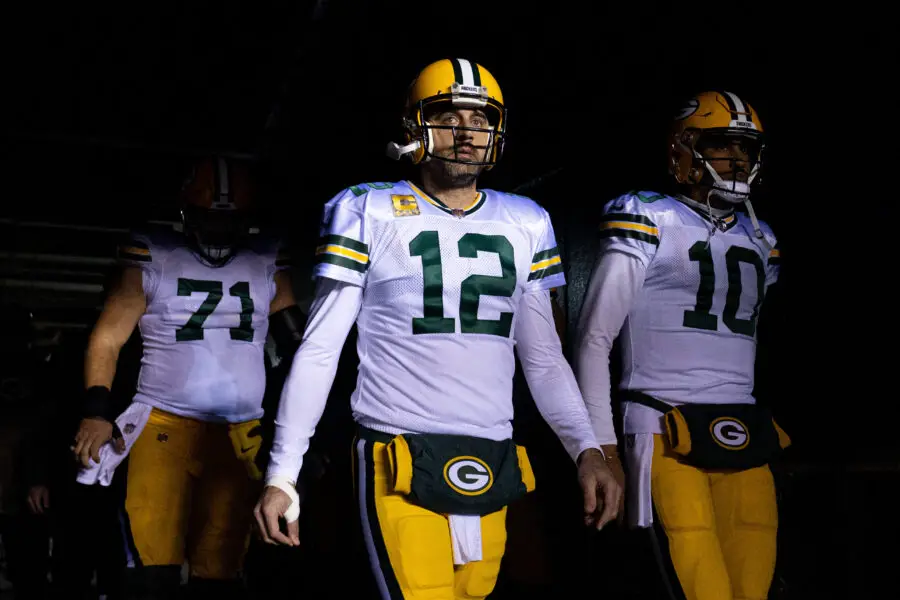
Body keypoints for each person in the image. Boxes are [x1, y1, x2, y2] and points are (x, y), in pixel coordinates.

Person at [254, 58, 622, 600]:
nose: (466, 133)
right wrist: (283, 471)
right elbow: (320, 350)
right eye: (449, 116)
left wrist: (587, 449)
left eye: (480, 119)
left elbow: (543, 360)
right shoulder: (368, 209)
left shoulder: (525, 219)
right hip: (396, 450)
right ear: (413, 127)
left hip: (492, 455)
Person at [574, 90, 787, 600]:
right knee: (698, 585)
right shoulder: (650, 216)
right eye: (721, 146)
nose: (736, 160)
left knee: (752, 587)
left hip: (746, 427)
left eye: (745, 149)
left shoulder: (762, 237)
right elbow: (593, 339)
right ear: (684, 149)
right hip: (661, 423)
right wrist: (602, 447)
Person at [71, 156, 303, 599]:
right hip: (162, 425)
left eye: (229, 221)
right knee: (149, 571)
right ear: (186, 215)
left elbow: (300, 346)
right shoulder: (154, 254)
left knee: (220, 573)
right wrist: (96, 412)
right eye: (209, 219)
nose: (218, 231)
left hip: (242, 432)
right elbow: (106, 339)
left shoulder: (267, 259)